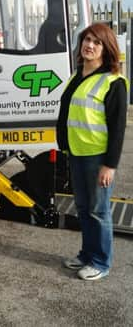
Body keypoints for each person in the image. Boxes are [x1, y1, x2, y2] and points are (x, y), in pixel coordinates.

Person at [57, 23, 128, 281]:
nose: (90, 45)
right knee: (84, 208)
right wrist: (64, 146)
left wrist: (110, 165)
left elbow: (118, 129)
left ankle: (101, 262)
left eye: (97, 42)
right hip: (76, 153)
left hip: (98, 157)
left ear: (106, 48)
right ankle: (87, 254)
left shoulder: (114, 82)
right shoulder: (76, 76)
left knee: (99, 211)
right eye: (87, 40)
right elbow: (67, 114)